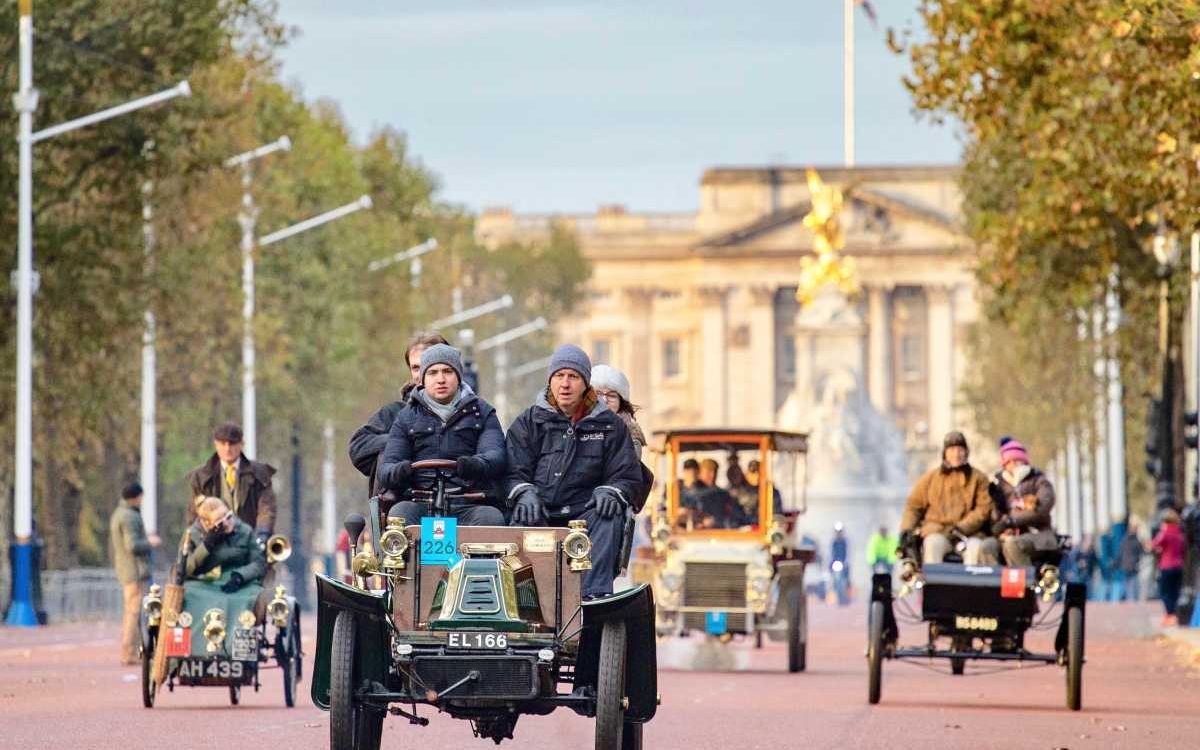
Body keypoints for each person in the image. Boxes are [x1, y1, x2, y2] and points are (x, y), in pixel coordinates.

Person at [504, 344, 642, 598]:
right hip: (541, 511)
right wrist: (523, 492)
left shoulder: (610, 426)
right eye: (559, 376)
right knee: (521, 516)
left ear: (585, 383)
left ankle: (592, 598)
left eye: (573, 377)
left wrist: (610, 491)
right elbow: (511, 469)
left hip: (587, 515)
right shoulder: (528, 422)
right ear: (550, 380)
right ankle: (522, 599)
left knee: (609, 514)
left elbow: (627, 474)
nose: (565, 384)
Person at [377, 344, 507, 526]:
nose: (440, 379)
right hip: (419, 504)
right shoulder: (406, 417)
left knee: (491, 517)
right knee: (399, 514)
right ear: (422, 379)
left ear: (459, 376)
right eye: (433, 372)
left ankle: (478, 556)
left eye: (447, 371)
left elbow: (496, 456)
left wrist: (474, 465)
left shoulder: (483, 413)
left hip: (468, 504)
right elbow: (387, 468)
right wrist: (402, 470)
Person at [348, 331, 449, 496]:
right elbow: (359, 447)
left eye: (428, 364)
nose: (421, 373)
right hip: (404, 506)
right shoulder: (393, 413)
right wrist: (403, 441)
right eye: (415, 367)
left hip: (462, 506)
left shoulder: (473, 412)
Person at [899, 430, 995, 565]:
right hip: (938, 531)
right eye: (952, 450)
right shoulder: (931, 478)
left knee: (975, 548)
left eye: (960, 449)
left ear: (966, 452)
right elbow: (913, 506)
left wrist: (961, 528)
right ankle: (932, 585)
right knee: (932, 545)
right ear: (945, 453)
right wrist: (906, 530)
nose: (956, 454)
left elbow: (983, 509)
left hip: (968, 534)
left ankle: (970, 585)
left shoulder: (978, 478)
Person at [185, 422, 277, 545]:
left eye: (232, 444)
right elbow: (195, 514)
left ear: (241, 444)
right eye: (223, 444)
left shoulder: (259, 473)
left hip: (251, 542)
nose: (228, 448)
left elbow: (266, 508)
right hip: (214, 546)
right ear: (216, 445)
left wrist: (262, 534)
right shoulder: (201, 477)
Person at [109, 482, 160, 665]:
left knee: (131, 611)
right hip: (135, 571)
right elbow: (132, 545)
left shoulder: (119, 514)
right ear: (136, 497)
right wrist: (150, 542)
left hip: (127, 570)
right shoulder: (129, 517)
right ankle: (129, 652)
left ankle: (132, 650)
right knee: (134, 613)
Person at [988, 438, 1058, 566]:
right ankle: (994, 583)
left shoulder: (1039, 481)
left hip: (1037, 535)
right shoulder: (999, 486)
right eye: (1009, 462)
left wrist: (1010, 521)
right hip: (1007, 535)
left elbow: (1041, 509)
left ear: (1024, 461)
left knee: (1012, 545)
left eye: (1016, 460)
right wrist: (996, 507)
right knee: (987, 546)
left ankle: (1024, 583)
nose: (1013, 464)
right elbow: (994, 519)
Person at [184, 497, 267, 593]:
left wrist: (239, 577)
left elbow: (259, 563)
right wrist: (206, 546)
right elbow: (185, 569)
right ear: (207, 524)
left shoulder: (244, 530)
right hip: (203, 584)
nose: (227, 523)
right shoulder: (192, 534)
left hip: (239, 582)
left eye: (229, 516)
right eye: (220, 522)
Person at [1151, 508, 1186, 627]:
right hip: (1179, 565)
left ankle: (1170, 615)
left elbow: (1155, 544)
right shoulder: (1179, 532)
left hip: (1167, 566)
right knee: (1175, 592)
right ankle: (1174, 614)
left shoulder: (1165, 532)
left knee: (1165, 592)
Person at [1116, 520, 1144, 602]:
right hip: (1133, 565)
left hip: (1125, 566)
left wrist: (1116, 564)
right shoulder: (1136, 541)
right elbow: (1141, 552)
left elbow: (1120, 553)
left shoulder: (1124, 540)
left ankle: (1126, 599)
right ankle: (1131, 600)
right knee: (1133, 585)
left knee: (1126, 584)